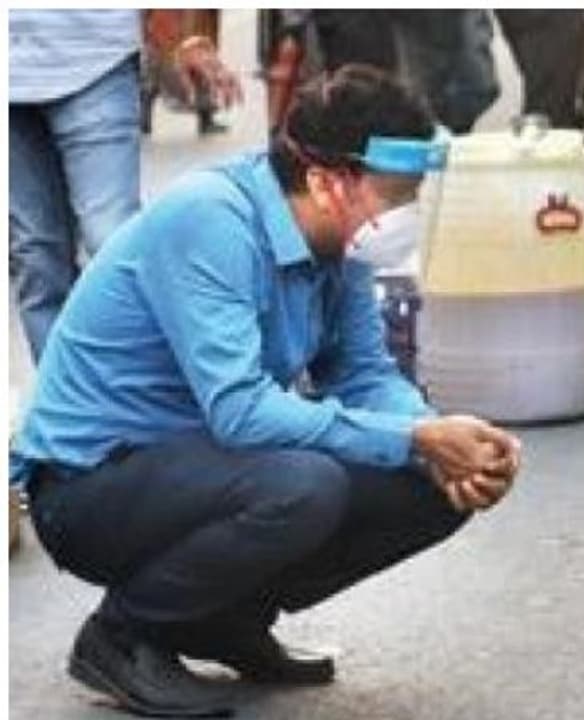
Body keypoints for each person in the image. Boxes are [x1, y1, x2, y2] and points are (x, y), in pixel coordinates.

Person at [9, 65, 521, 718]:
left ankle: (219, 620)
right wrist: (415, 436)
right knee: (302, 485)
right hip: (89, 489)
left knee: (430, 486)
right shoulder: (212, 219)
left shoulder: (340, 248)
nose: (405, 216)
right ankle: (123, 635)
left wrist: (441, 440)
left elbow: (363, 376)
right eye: (396, 196)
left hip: (202, 469)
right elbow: (242, 412)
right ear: (325, 182)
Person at [9, 9, 242, 362]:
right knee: (37, 258)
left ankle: (137, 390)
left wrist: (183, 38)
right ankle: (66, 403)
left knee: (112, 243)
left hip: (96, 58)